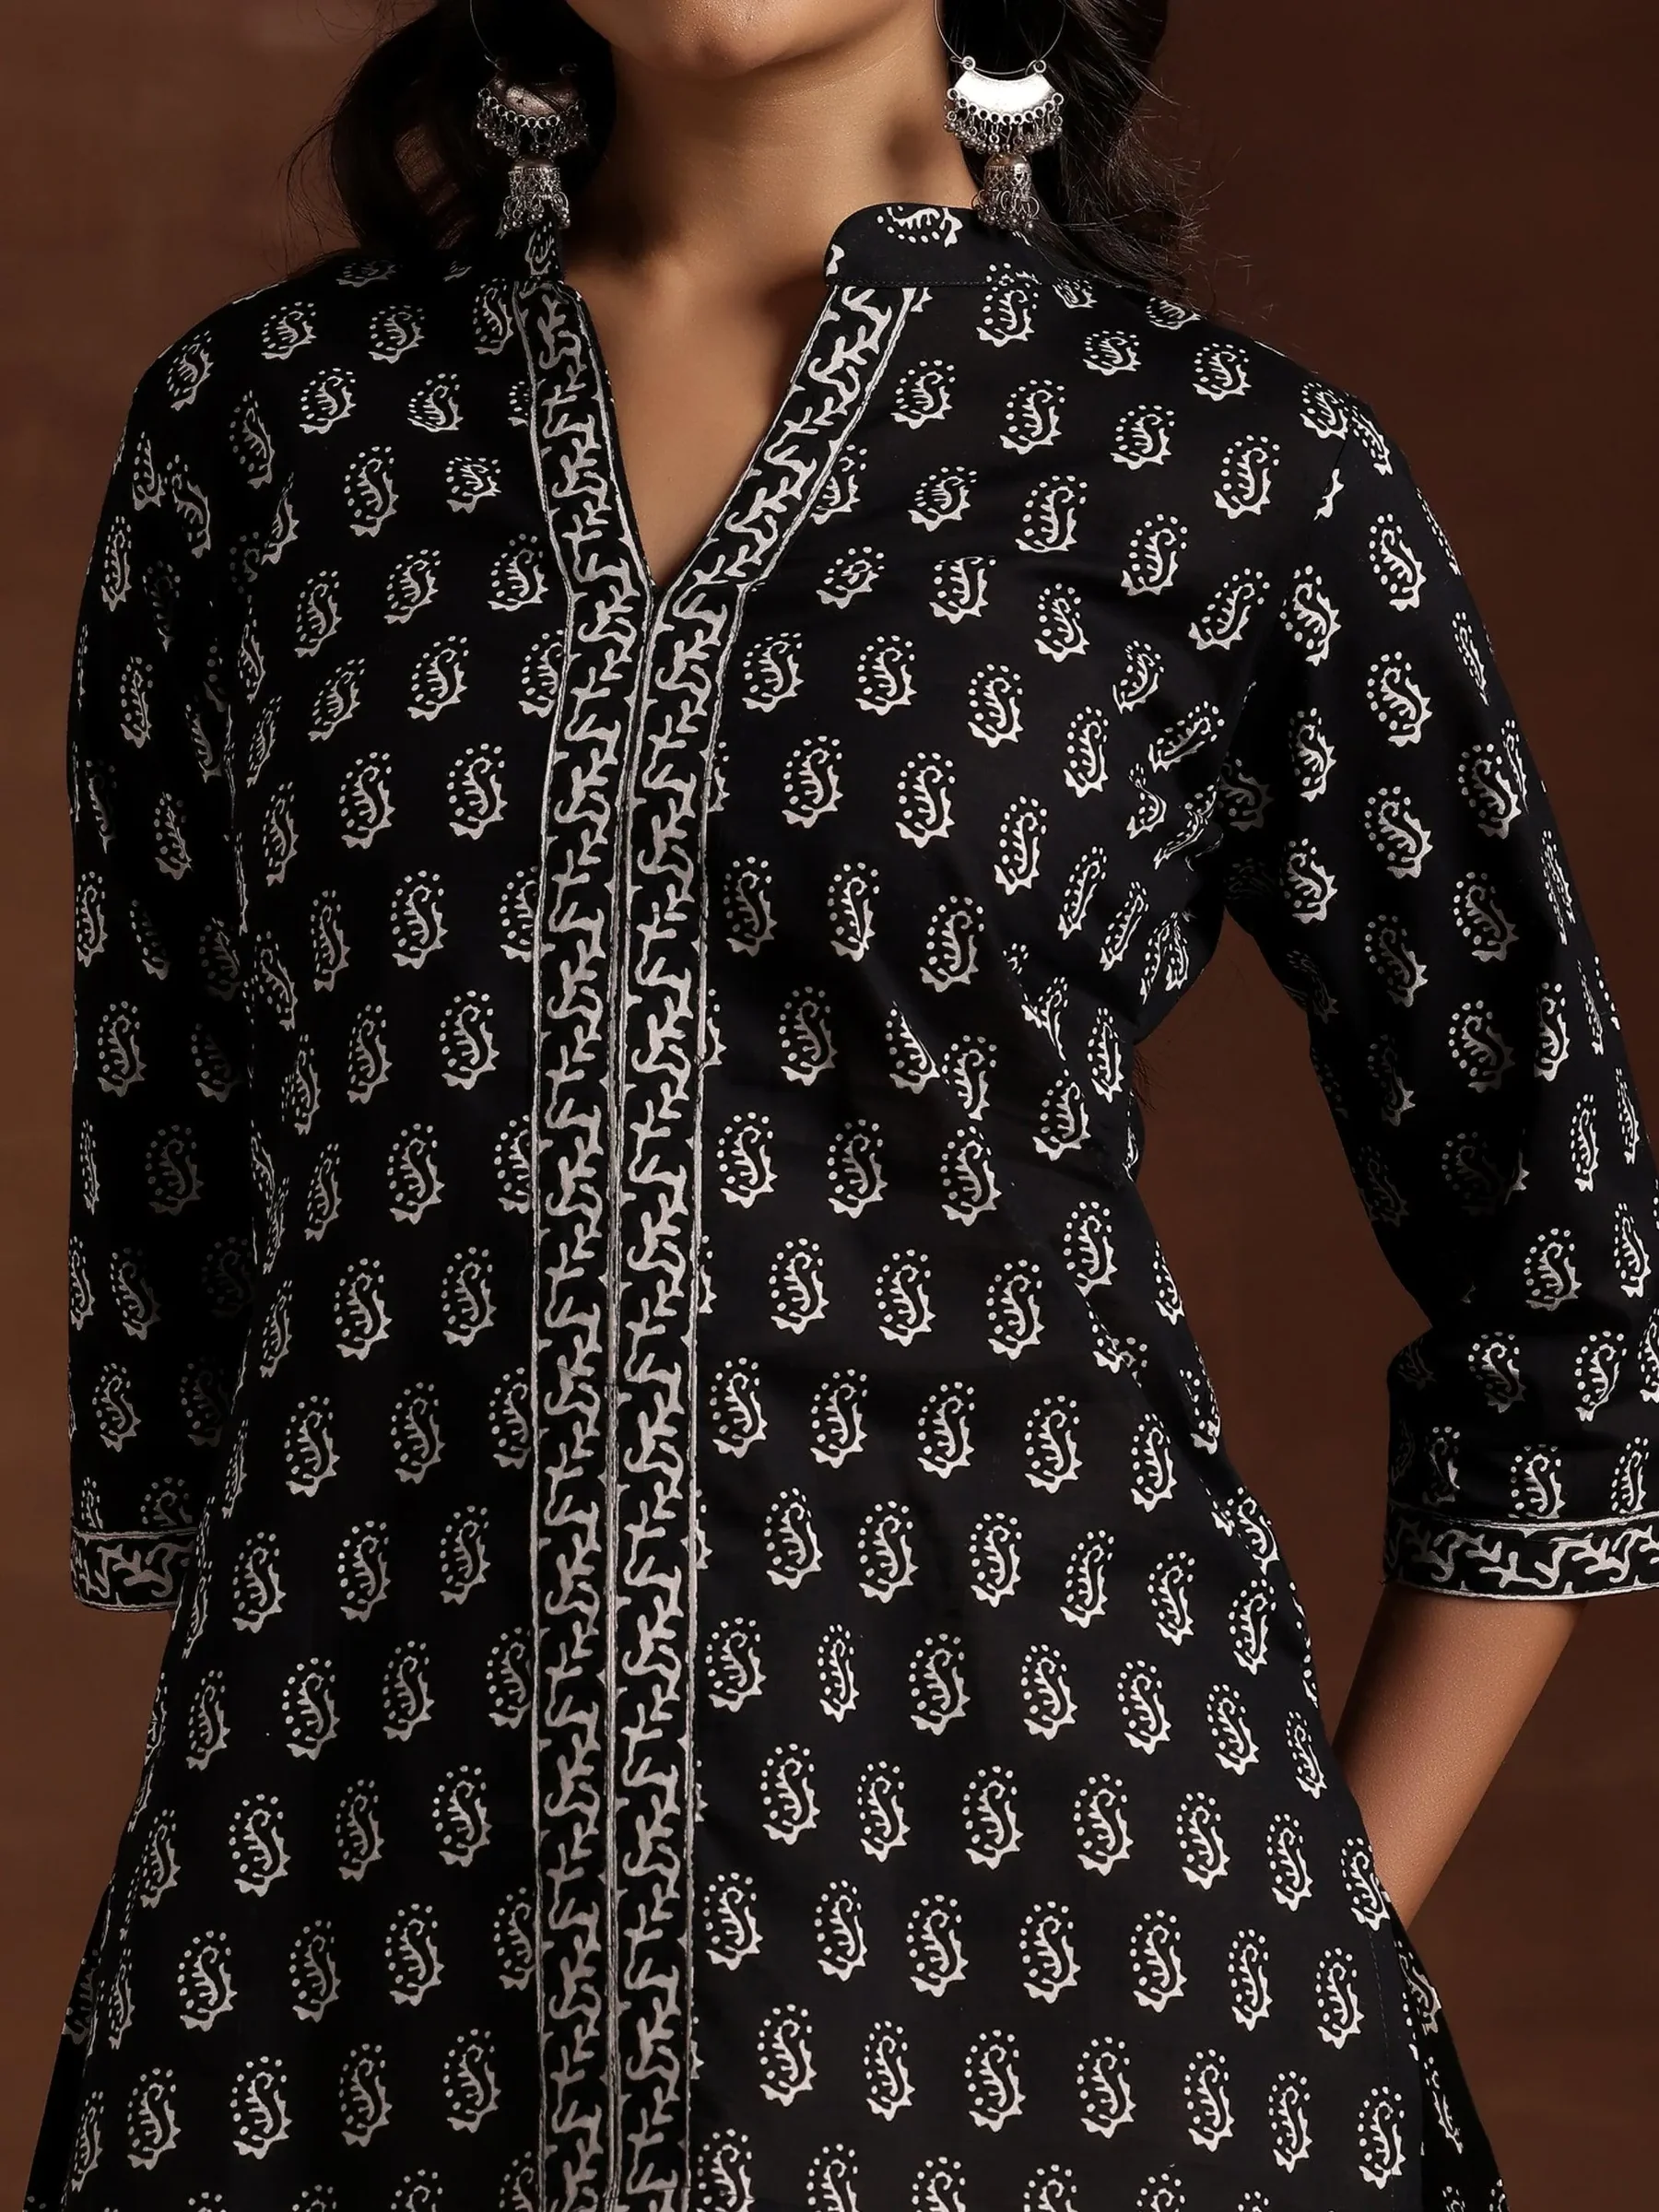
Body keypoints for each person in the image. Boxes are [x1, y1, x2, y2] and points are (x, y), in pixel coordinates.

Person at [26, 1, 1659, 2206]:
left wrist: (1300, 1950)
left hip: (1078, 2018)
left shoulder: (1222, 474)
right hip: (345, 2006)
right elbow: (187, 1292)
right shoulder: (266, 445)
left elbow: (1564, 1291)